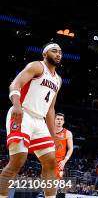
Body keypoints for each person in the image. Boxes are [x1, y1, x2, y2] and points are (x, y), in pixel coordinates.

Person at [1, 43, 63, 198]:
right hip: (23, 114)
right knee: (18, 161)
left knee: (50, 162)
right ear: (44, 54)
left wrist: (53, 134)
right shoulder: (37, 66)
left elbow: (50, 109)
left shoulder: (58, 80)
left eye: (60, 52)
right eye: (54, 51)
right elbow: (15, 83)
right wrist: (16, 104)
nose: (58, 54)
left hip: (39, 120)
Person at [54, 112, 73, 179]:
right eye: (58, 119)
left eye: (61, 119)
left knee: (56, 182)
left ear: (63, 122)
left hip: (59, 161)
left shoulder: (67, 133)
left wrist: (64, 161)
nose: (59, 121)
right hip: (48, 159)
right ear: (54, 120)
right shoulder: (48, 131)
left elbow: (70, 148)